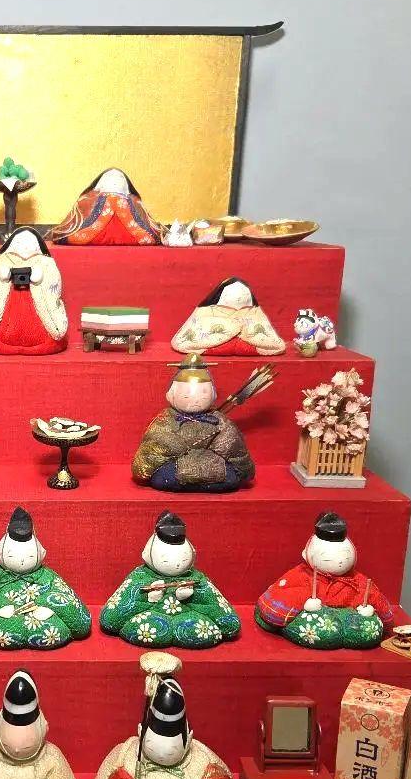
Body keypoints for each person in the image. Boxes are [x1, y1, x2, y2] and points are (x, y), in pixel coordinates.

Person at [93, 656, 237, 779]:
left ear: (189, 738)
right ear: (140, 732)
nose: (162, 753)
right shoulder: (130, 753)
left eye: (172, 748)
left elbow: (219, 774)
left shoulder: (197, 754)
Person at [255, 511, 395, 649]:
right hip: (316, 614)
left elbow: (376, 600)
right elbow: (283, 596)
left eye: (344, 555)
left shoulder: (356, 580)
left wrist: (368, 610)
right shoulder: (304, 576)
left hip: (349, 616)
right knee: (322, 628)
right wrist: (306, 604)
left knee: (366, 628)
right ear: (306, 554)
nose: (339, 561)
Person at [100, 512, 240, 648]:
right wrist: (149, 597)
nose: (177, 564)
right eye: (165, 559)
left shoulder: (196, 577)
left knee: (197, 628)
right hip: (149, 618)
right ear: (147, 554)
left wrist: (192, 596)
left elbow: (224, 616)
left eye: (184, 558)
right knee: (146, 626)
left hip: (189, 619)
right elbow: (111, 618)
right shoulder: (140, 576)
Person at [0, 507, 91, 650]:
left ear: (41, 554)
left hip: (46, 628)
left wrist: (47, 606)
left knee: (60, 624)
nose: (22, 561)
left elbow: (80, 623)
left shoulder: (48, 576)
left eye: (30, 556)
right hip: (1, 628)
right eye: (11, 556)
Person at [132, 354, 256, 493]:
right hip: (174, 471)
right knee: (163, 476)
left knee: (231, 476)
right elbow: (147, 458)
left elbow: (237, 454)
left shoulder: (219, 421)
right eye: (186, 393)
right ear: (171, 394)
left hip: (217, 470)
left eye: (204, 392)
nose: (196, 399)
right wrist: (173, 445)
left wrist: (223, 443)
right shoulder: (164, 420)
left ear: (213, 394)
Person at [0, 228, 68, 355]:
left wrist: (39, 277)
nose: (25, 247)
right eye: (19, 243)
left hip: (36, 311)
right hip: (8, 307)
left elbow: (53, 283)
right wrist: (3, 275)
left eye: (30, 243)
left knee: (49, 333)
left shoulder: (46, 262)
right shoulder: (0, 261)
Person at [170, 277, 286, 357]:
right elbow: (199, 327)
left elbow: (262, 329)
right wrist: (232, 326)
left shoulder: (254, 310)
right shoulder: (207, 310)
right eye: (234, 294)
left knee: (253, 345)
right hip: (214, 343)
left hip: (248, 342)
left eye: (243, 294)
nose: (239, 298)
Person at [47, 168, 163, 246]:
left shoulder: (134, 201)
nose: (115, 181)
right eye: (111, 178)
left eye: (119, 179)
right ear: (98, 186)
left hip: (134, 232)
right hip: (84, 234)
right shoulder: (88, 199)